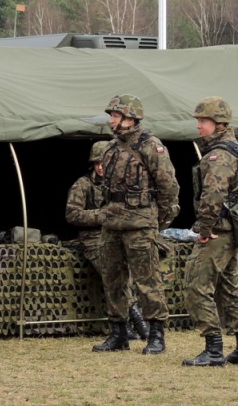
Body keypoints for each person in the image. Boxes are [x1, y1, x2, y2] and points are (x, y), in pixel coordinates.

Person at [92, 94, 180, 355]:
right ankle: (118, 333)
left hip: (140, 225)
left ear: (130, 118)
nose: (111, 121)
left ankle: (156, 335)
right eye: (111, 116)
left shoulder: (151, 146)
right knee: (113, 280)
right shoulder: (110, 148)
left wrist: (158, 221)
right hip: (112, 224)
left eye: (115, 116)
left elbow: (168, 187)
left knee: (147, 281)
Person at [183, 96, 238, 367]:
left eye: (203, 121)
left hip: (218, 231)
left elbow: (213, 195)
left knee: (196, 286)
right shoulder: (234, 149)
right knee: (229, 287)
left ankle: (213, 348)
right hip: (230, 230)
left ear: (219, 123)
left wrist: (204, 228)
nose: (199, 126)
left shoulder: (218, 155)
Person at [65, 140, 150, 342]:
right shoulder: (83, 185)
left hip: (119, 235)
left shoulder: (120, 185)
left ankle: (128, 324)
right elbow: (72, 215)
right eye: (98, 163)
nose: (102, 167)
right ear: (93, 165)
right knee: (112, 276)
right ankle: (135, 321)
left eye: (106, 162)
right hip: (93, 238)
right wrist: (103, 215)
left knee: (129, 276)